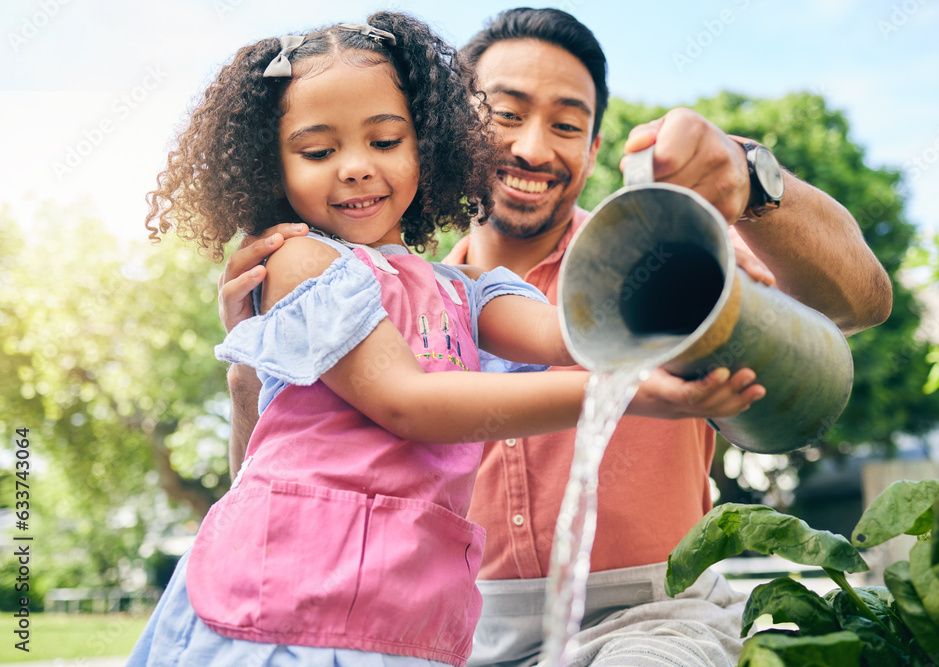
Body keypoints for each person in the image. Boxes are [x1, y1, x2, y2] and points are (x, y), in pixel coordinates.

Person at [219, 8, 893, 667]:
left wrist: (749, 178)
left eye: (566, 125)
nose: (533, 147)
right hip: (447, 633)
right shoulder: (388, 295)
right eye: (505, 114)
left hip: (652, 622)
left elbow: (862, 301)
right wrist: (255, 366)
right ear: (449, 129)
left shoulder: (663, 261)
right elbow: (283, 495)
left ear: (594, 148)